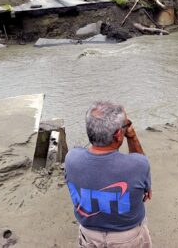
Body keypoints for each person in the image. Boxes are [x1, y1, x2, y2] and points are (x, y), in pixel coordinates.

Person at [65, 102, 152, 248]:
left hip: (89, 233)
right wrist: (132, 136)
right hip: (127, 236)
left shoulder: (71, 158)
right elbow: (144, 187)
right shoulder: (138, 165)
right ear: (118, 135)